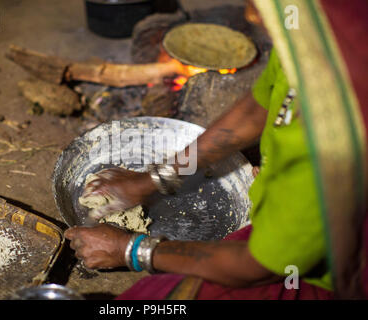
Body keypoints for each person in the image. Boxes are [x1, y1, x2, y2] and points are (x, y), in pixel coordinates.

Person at [65, 0, 368, 299]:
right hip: (278, 239)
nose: (250, 15)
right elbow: (255, 109)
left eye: (263, 7)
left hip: (314, 275)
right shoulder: (317, 45)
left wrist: (131, 249)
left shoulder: (330, 147)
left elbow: (256, 266)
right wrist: (152, 180)